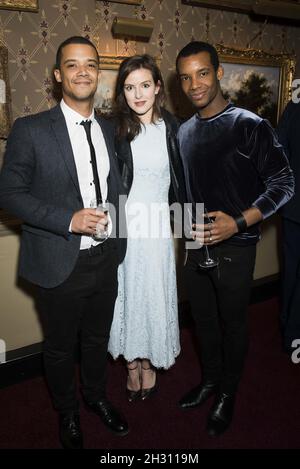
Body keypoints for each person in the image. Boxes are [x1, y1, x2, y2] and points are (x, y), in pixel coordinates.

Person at [0, 36, 128, 449]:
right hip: (58, 260)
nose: (82, 72)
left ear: (98, 73)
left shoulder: (111, 129)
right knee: (58, 348)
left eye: (90, 64)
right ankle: (68, 413)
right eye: (72, 65)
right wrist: (68, 220)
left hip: (105, 259)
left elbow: (118, 188)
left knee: (96, 340)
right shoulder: (31, 129)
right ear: (58, 75)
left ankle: (95, 398)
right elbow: (9, 194)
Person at [176, 41, 294, 436]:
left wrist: (238, 223)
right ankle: (210, 380)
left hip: (236, 247)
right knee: (203, 321)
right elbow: (185, 190)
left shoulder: (249, 124)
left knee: (232, 324)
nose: (195, 84)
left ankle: (227, 391)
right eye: (186, 77)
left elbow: (284, 183)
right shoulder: (184, 133)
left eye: (203, 73)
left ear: (219, 72)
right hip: (195, 245)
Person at [108, 54, 186, 402]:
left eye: (144, 85)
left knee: (152, 294)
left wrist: (191, 236)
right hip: (125, 225)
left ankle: (149, 363)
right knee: (126, 296)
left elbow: (186, 185)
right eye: (129, 87)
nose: (137, 94)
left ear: (157, 87)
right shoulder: (114, 129)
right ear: (121, 92)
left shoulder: (176, 128)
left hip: (156, 229)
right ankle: (131, 364)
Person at [277, 100, 300, 354]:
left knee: (291, 271)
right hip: (293, 208)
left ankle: (289, 330)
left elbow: (278, 154)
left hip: (293, 207)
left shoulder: (294, 106)